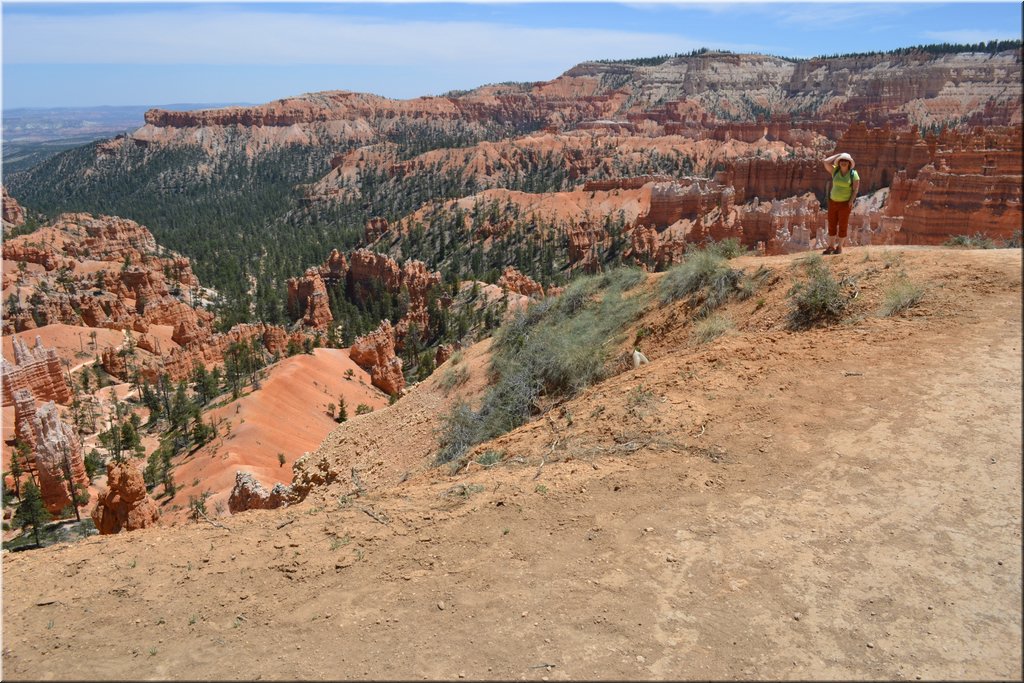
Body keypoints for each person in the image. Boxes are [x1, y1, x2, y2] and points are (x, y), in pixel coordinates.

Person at [821, 152, 860, 254]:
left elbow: (855, 190)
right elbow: (825, 162)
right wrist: (839, 155)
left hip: (845, 204)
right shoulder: (835, 170)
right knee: (832, 224)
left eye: (846, 161)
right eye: (842, 160)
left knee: (843, 225)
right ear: (839, 162)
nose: (843, 162)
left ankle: (840, 247)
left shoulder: (853, 174)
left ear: (849, 163)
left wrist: (850, 202)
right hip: (833, 202)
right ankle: (831, 246)